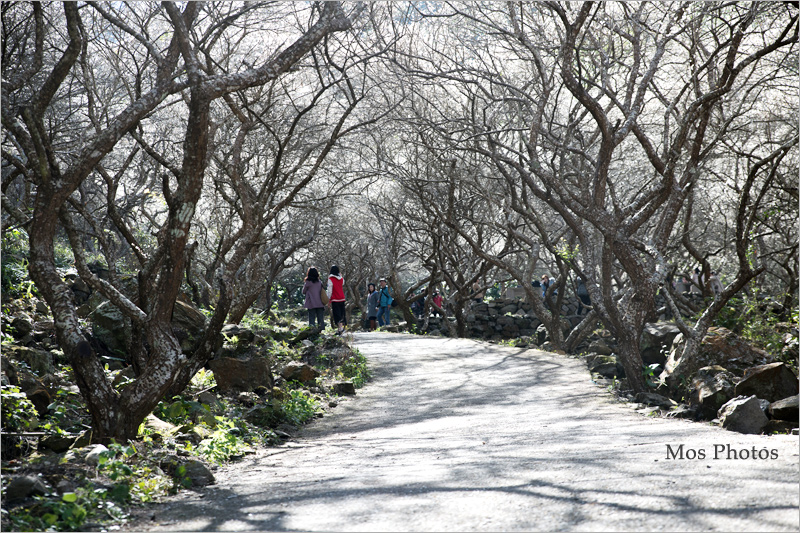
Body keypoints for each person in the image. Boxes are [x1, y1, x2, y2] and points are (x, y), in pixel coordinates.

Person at [327, 265, 346, 335]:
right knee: (341, 313)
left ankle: (340, 328)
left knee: (336, 314)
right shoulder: (341, 278)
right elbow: (343, 283)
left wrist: (328, 299)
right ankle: (341, 328)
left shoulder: (330, 279)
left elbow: (329, 290)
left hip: (335, 299)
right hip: (342, 298)